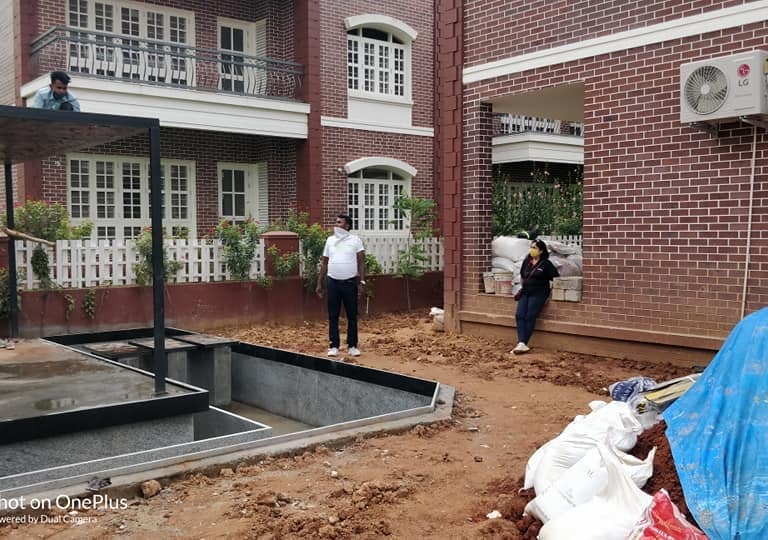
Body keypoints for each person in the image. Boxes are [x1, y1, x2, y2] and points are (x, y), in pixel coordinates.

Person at [316, 213, 366, 357]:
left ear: (347, 226)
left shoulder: (355, 240)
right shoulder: (330, 240)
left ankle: (352, 345)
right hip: (333, 282)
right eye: (336, 222)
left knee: (351, 315)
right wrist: (320, 283)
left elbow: (361, 262)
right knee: (333, 315)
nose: (336, 224)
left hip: (350, 283)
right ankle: (334, 345)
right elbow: (325, 262)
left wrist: (362, 282)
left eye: (339, 222)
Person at [512, 238, 559, 355]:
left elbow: (556, 278)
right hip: (526, 292)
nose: (532, 250)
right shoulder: (527, 261)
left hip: (539, 293)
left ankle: (522, 343)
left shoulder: (546, 264)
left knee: (529, 316)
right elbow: (523, 275)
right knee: (519, 315)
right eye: (531, 247)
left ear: (541, 250)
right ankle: (521, 343)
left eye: (535, 248)